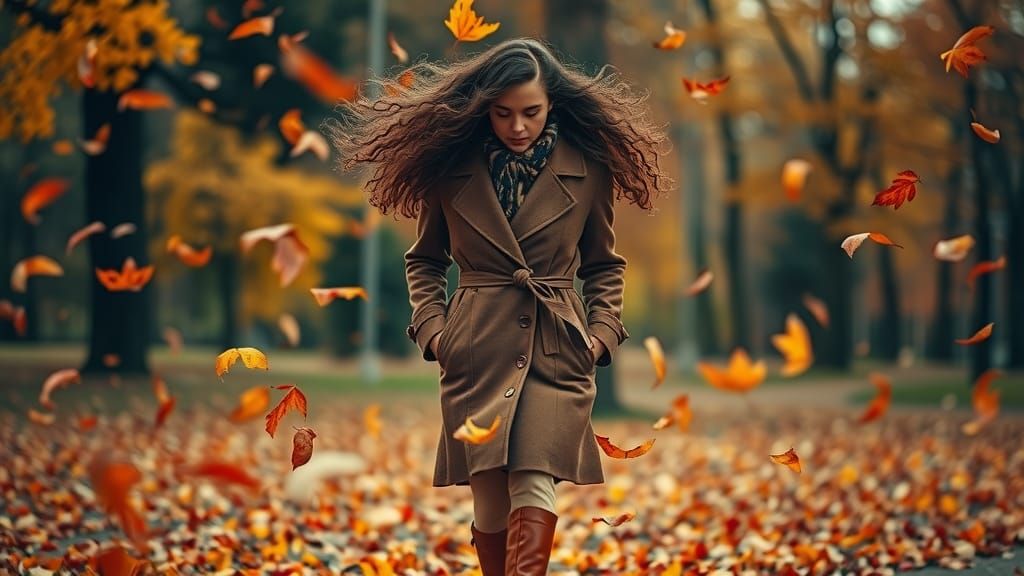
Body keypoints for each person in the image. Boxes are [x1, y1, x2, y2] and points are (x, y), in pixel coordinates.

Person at [325, 37, 671, 575]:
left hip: (557, 349)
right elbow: (425, 260)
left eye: (531, 112)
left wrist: (600, 337)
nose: (517, 126)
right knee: (489, 502)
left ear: (552, 103)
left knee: (534, 481)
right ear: (484, 108)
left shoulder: (588, 169)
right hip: (476, 349)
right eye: (503, 113)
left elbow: (604, 265)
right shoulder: (450, 170)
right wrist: (435, 333)